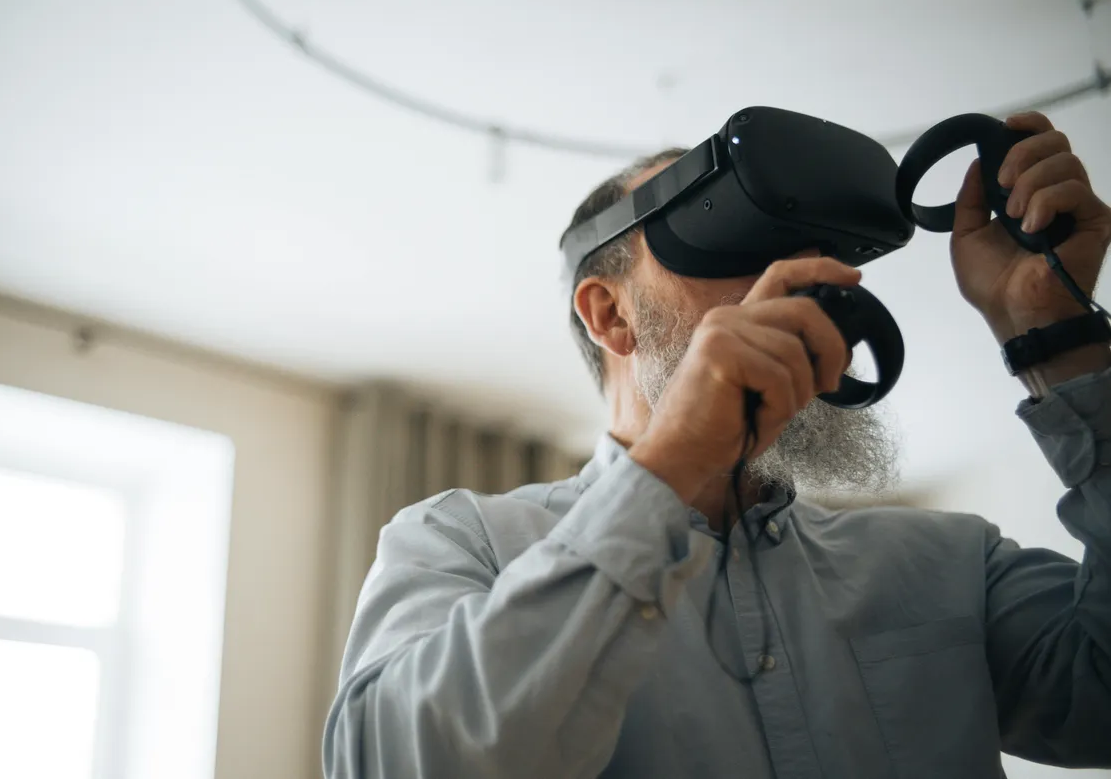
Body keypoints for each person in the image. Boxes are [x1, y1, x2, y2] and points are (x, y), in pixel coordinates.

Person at [322, 111, 1111, 778]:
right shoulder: (463, 543)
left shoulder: (951, 565)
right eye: (727, 244)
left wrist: (1060, 341)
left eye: (797, 252)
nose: (792, 280)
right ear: (609, 315)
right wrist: (670, 468)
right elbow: (397, 758)